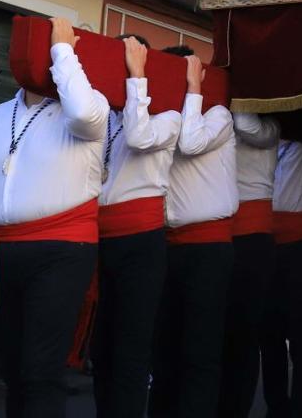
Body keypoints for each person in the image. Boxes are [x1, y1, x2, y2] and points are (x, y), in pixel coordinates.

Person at [0, 17, 108, 418]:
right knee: (14, 370)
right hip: (6, 251)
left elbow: (86, 118)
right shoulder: (0, 115)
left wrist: (63, 51)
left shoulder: (90, 105)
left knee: (41, 369)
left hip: (62, 250)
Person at [93, 34, 180, 418]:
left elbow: (139, 136)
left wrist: (137, 77)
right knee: (102, 348)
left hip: (141, 239)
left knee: (131, 347)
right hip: (100, 236)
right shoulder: (108, 114)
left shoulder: (170, 116)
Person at [149, 46, 236, 418]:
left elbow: (191, 141)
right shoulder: (166, 116)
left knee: (200, 351)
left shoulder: (219, 114)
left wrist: (193, 91)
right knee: (164, 347)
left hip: (208, 248)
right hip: (168, 244)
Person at [261, 113, 302, 418]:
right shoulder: (268, 141)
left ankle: (300, 407)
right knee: (270, 333)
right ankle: (277, 407)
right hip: (271, 246)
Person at [219, 110, 279, 418]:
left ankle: (236, 408)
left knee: (244, 333)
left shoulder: (268, 124)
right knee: (221, 331)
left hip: (252, 233)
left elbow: (247, 125)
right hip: (221, 227)